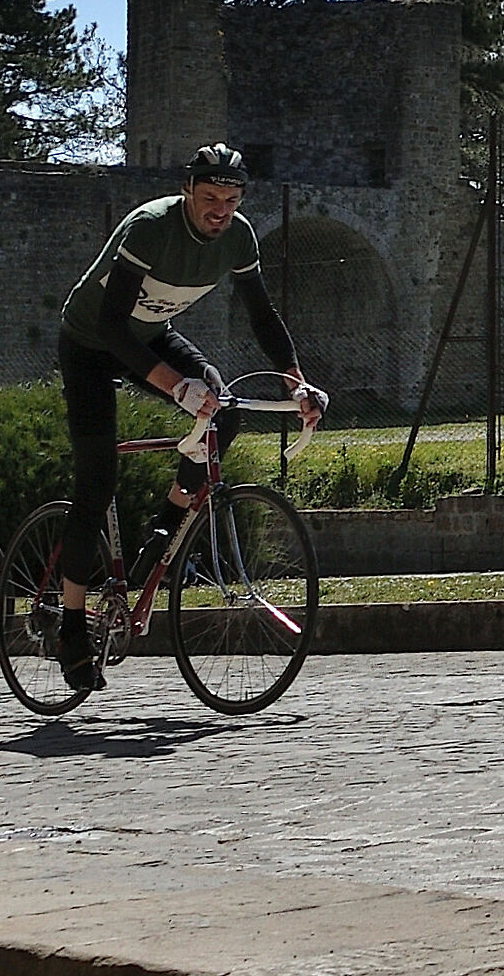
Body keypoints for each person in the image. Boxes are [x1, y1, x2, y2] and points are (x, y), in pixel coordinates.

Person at [53, 143, 323, 690]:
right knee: (96, 482)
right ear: (187, 192)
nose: (220, 211)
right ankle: (72, 623)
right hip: (90, 344)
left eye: (231, 200)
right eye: (209, 198)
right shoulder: (150, 228)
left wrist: (297, 382)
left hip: (152, 336)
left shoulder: (239, 237)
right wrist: (175, 386)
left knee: (222, 408)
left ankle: (166, 525)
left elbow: (263, 315)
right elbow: (110, 327)